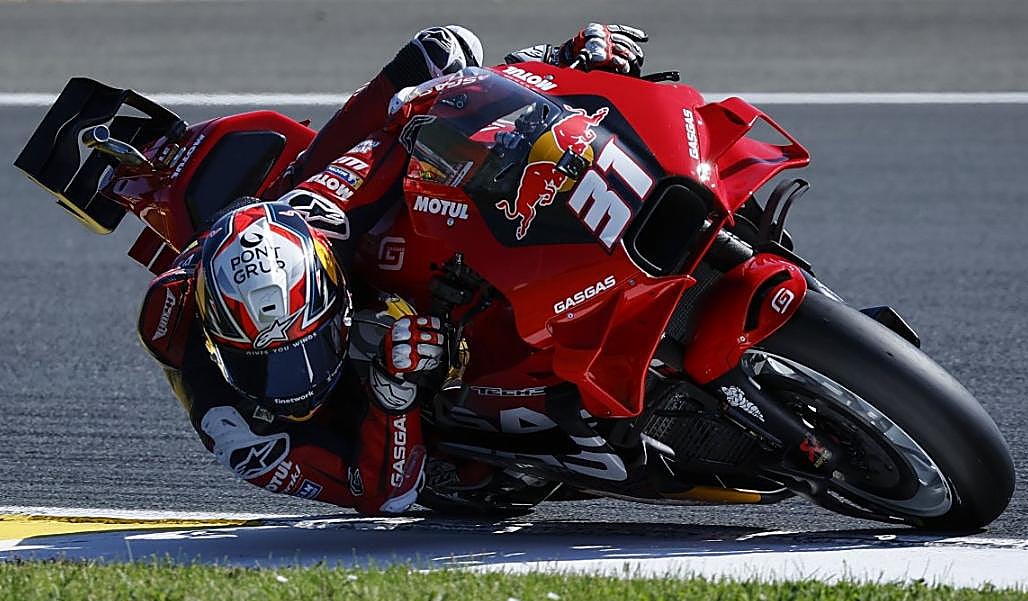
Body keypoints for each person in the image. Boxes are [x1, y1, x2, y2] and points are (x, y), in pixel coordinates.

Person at [136, 24, 648, 515]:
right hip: (378, 416)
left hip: (315, 227)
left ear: (329, 289)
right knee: (473, 480)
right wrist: (392, 393)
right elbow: (383, 496)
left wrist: (555, 66)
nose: (296, 385)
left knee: (438, 53)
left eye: (305, 351)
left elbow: (417, 116)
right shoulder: (238, 431)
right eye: (267, 365)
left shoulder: (329, 214)